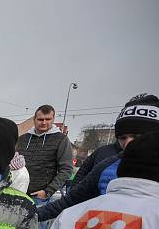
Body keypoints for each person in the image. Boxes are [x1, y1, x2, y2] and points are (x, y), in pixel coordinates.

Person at [38, 94, 159, 222]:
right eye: (122, 137)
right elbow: (72, 199)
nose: (128, 143)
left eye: (136, 136)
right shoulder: (107, 164)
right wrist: (31, 214)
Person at [16, 105, 73, 229]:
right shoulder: (23, 139)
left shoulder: (61, 140)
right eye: (40, 119)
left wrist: (47, 191)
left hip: (40, 197)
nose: (44, 122)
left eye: (48, 119)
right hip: (18, 194)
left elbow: (66, 169)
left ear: (53, 120)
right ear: (34, 119)